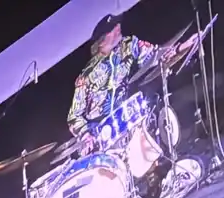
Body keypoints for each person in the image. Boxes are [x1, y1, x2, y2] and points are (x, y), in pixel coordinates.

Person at [67, 14, 159, 143]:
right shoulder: (86, 76)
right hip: (100, 136)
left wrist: (181, 48)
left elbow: (156, 56)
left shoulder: (128, 45)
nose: (118, 27)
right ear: (102, 41)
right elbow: (74, 117)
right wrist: (86, 135)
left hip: (128, 120)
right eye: (112, 28)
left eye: (117, 24)